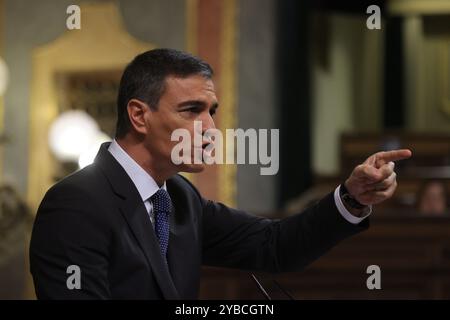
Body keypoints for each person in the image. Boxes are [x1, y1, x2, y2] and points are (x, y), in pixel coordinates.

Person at [29, 49, 412, 299]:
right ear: (139, 115)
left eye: (212, 111)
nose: (210, 128)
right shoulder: (77, 203)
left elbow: (275, 246)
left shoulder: (179, 197)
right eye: (192, 110)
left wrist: (352, 197)